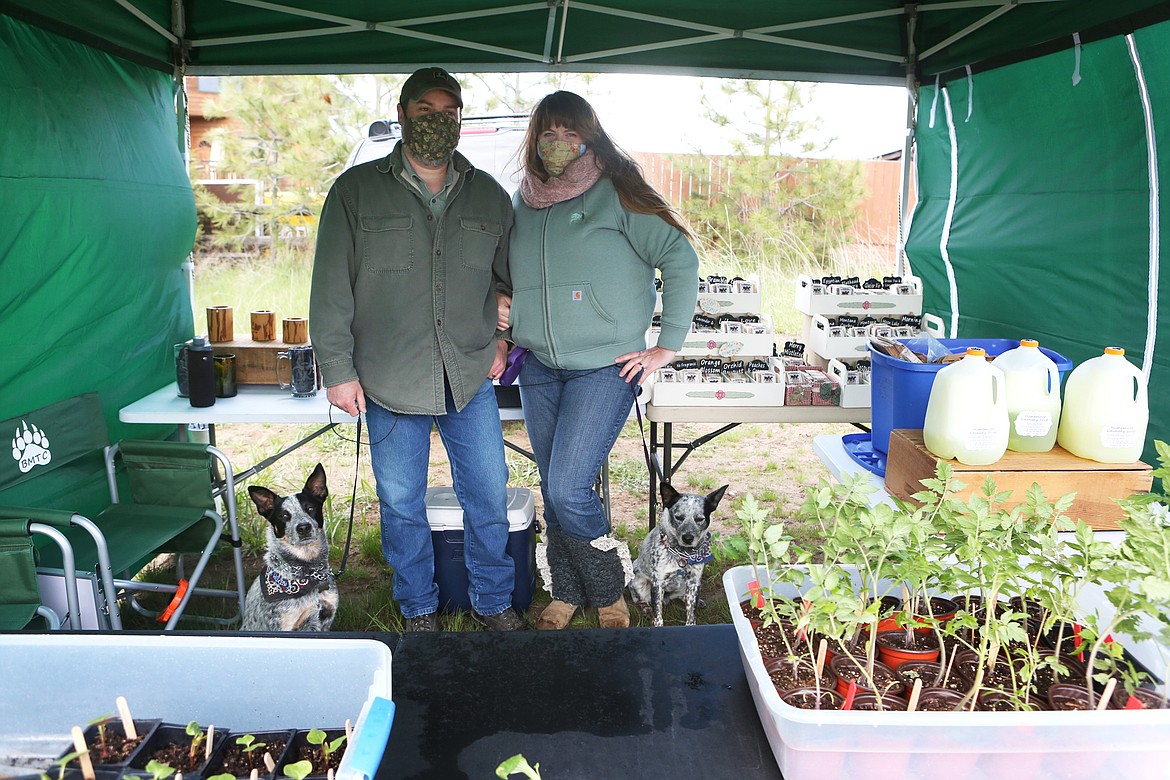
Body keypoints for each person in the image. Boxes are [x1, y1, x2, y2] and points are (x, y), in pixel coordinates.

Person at [309, 67, 524, 632]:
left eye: (450, 111)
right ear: (402, 114)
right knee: (401, 503)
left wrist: (502, 339)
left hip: (469, 371)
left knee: (487, 493)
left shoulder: (489, 195)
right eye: (425, 110)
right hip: (387, 376)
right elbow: (329, 290)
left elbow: (508, 281)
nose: (438, 121)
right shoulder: (355, 192)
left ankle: (494, 599)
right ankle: (419, 606)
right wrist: (337, 371)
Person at [502, 91, 700, 630]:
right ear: (535, 139)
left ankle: (609, 586)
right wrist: (504, 306)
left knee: (567, 486)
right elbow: (506, 272)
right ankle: (567, 591)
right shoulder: (523, 199)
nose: (561, 144)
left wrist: (667, 344)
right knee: (554, 485)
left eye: (572, 133)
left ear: (590, 137)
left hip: (605, 368)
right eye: (550, 133)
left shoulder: (617, 192)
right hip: (539, 364)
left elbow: (680, 256)